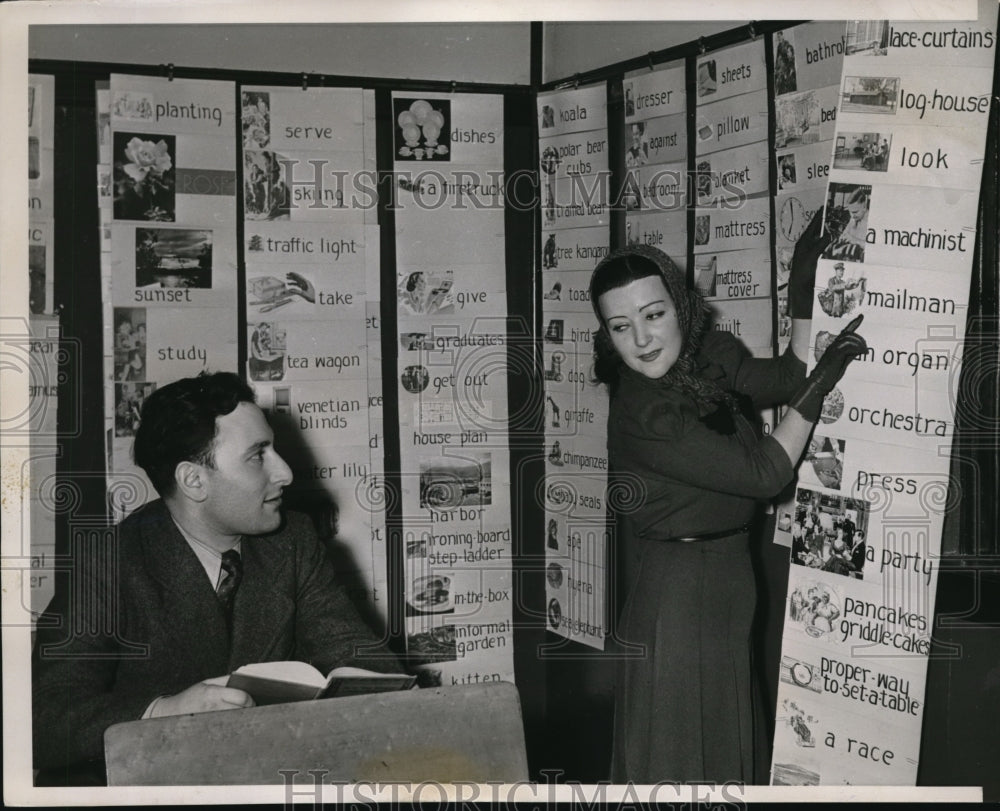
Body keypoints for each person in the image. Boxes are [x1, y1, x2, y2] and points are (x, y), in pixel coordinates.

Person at [588, 212, 867, 784]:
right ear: (607, 335)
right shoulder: (645, 413)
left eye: (654, 315)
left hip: (727, 579)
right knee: (680, 757)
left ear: (681, 308)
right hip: (678, 591)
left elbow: (786, 376)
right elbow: (767, 473)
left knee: (720, 748)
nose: (640, 340)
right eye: (620, 327)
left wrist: (803, 287)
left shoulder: (709, 354)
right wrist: (821, 389)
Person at [32, 372, 400, 784]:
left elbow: (362, 659)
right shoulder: (106, 562)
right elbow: (45, 720)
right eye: (258, 456)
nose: (286, 473)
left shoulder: (293, 541)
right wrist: (161, 712)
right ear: (194, 480)